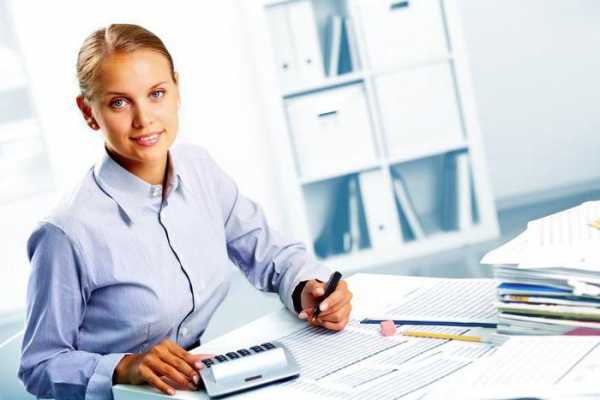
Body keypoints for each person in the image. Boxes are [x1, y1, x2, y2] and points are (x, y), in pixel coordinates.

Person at [18, 23, 353, 399]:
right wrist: (126, 366)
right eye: (119, 103)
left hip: (196, 386)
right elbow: (39, 365)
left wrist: (308, 289)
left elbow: (272, 253)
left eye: (156, 94)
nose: (144, 119)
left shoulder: (199, 168)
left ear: (177, 89)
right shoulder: (66, 232)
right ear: (88, 112)